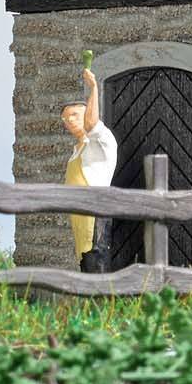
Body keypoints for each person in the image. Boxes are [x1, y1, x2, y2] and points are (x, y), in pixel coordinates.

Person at [63, 66, 119, 272]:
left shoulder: (101, 140)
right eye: (66, 118)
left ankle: (101, 303)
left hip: (96, 211)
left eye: (75, 114)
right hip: (79, 215)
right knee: (85, 263)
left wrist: (93, 87)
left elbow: (92, 124)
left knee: (97, 261)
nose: (70, 120)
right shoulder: (76, 151)